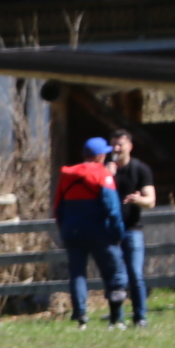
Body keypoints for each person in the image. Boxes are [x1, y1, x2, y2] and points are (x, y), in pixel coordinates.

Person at [54, 137, 129, 328]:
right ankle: (116, 319)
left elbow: (58, 208)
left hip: (72, 232)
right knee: (114, 273)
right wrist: (118, 233)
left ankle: (81, 317)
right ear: (101, 156)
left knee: (77, 274)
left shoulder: (67, 175)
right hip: (99, 232)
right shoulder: (102, 174)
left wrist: (64, 229)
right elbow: (113, 209)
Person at [108, 129, 156, 326]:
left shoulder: (140, 169)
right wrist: (107, 175)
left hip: (132, 230)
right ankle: (117, 319)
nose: (116, 148)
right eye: (113, 144)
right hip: (110, 231)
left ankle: (140, 317)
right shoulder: (105, 170)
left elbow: (150, 201)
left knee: (135, 274)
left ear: (130, 146)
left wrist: (138, 199)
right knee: (115, 277)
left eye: (120, 144)